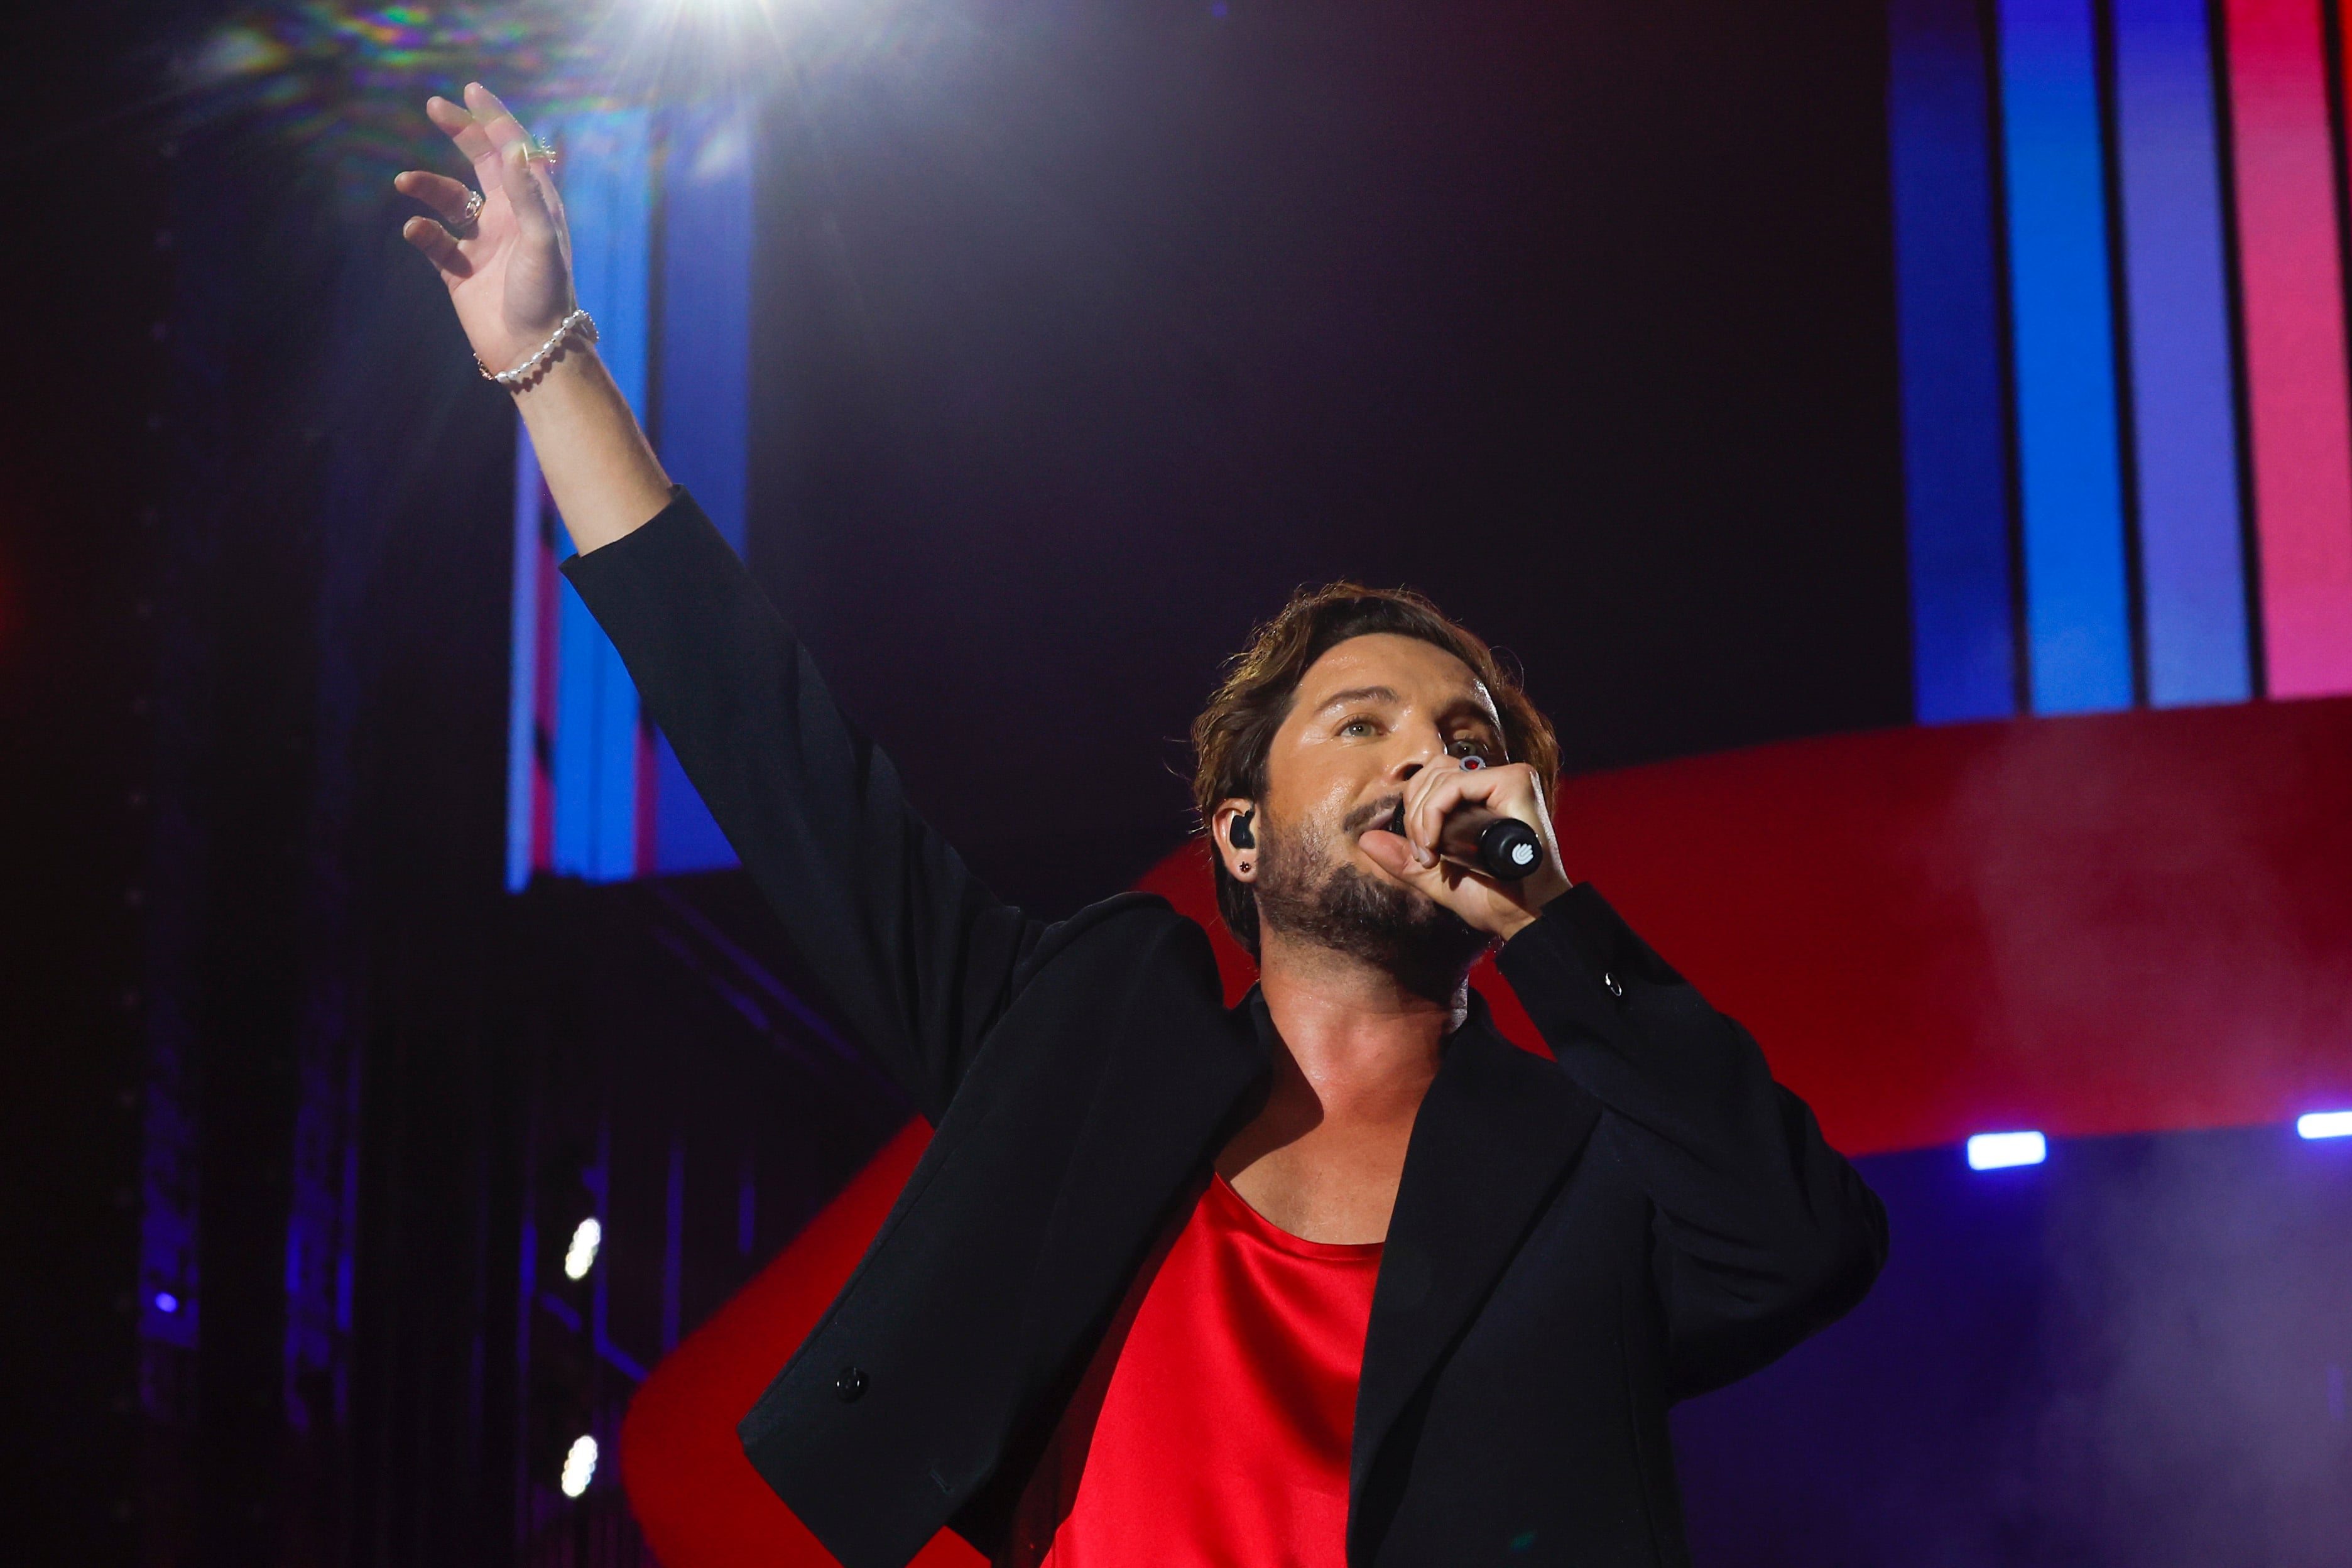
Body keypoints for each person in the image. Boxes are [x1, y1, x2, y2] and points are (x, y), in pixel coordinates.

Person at [398, 84, 1886, 1568]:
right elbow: (777, 758)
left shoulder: (1589, 1162)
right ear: (1240, 838)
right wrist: (546, 365)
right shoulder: (1083, 1049)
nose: (1424, 758)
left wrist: (1556, 918)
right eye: (1358, 722)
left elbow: (1801, 1245)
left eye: (1467, 740)